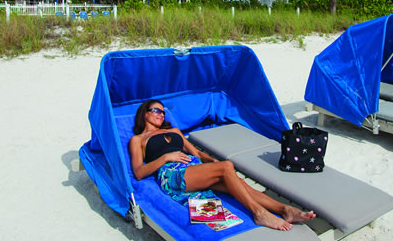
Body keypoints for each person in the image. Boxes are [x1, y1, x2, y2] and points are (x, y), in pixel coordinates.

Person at [128, 99, 315, 231]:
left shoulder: (175, 130)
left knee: (239, 184)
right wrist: (165, 158)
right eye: (156, 110)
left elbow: (197, 153)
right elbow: (138, 172)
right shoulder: (137, 140)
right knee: (226, 168)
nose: (161, 114)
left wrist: (211, 162)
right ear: (144, 113)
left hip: (193, 168)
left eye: (162, 111)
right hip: (172, 176)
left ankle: (285, 210)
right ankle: (259, 213)